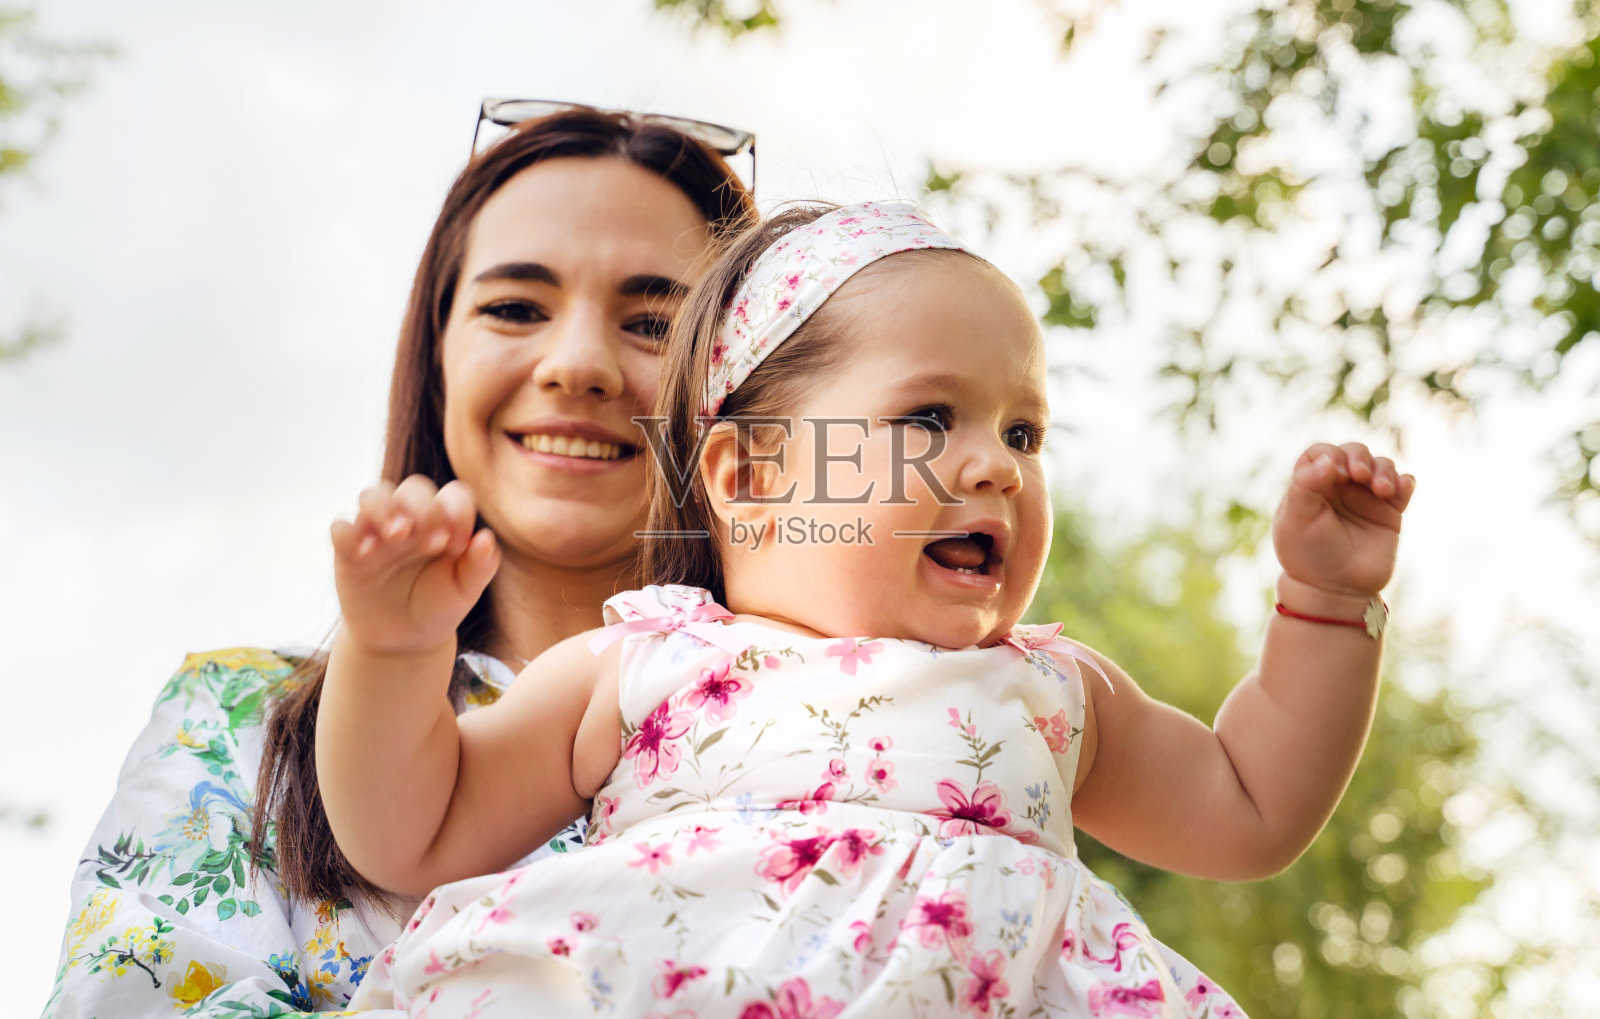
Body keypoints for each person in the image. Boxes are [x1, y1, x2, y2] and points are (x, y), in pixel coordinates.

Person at [318, 201, 1415, 1017]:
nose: (995, 464)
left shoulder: (1047, 693)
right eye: (930, 416)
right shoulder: (644, 666)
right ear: (746, 478)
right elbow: (411, 831)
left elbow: (1251, 806)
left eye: (1024, 431)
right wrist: (394, 644)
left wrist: (1326, 599)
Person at [41, 104, 757, 1018]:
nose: (578, 365)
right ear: (438, 355)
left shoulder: (849, 712)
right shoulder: (237, 727)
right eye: (514, 307)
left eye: (656, 322)